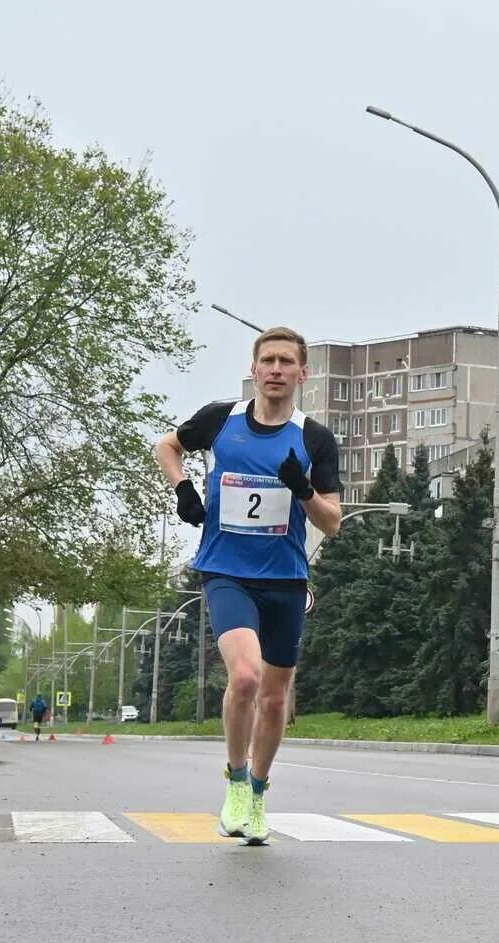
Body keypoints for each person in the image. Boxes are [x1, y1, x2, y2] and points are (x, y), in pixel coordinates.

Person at [155, 326, 342, 845]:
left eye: (287, 361)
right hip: (227, 571)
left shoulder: (314, 439)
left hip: (285, 577)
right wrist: (184, 489)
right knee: (244, 679)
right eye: (269, 361)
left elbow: (332, 522)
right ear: (255, 369)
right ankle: (235, 782)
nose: (277, 369)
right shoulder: (221, 420)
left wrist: (304, 491)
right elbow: (167, 446)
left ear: (303, 373)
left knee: (277, 700)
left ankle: (258, 792)